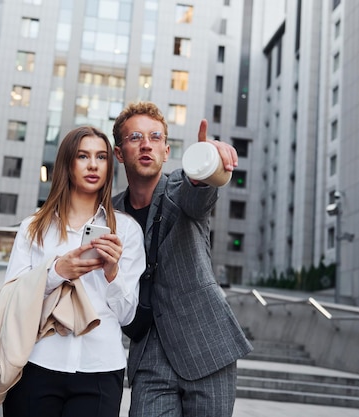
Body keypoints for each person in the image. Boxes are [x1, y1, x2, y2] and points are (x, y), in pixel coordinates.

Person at [112, 102, 253, 417]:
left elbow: (198, 192)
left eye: (155, 137)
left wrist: (210, 160)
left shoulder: (180, 186)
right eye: (135, 137)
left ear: (165, 150)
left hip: (206, 345)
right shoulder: (111, 212)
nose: (146, 144)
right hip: (149, 352)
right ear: (120, 153)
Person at [2, 126, 146, 417]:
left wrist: (112, 272)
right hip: (36, 362)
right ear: (68, 164)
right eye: (83, 156)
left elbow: (128, 316)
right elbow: (12, 298)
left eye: (101, 157)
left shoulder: (126, 230)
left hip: (101, 368)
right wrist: (57, 272)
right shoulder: (34, 226)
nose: (93, 165)